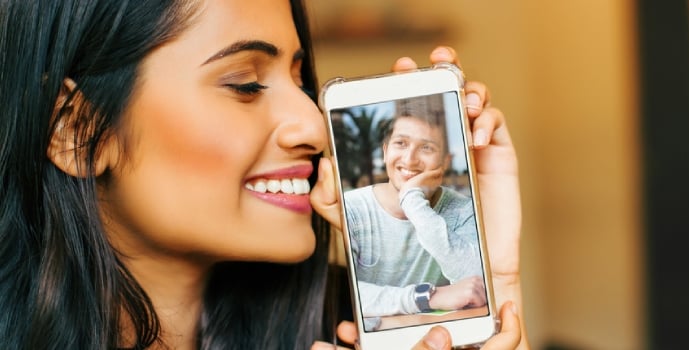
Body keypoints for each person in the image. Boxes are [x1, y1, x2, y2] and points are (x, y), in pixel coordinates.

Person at [0, 1, 528, 349]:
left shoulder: (358, 326)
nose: (313, 125)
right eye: (245, 83)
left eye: (300, 78)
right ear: (76, 129)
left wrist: (498, 288)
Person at [344, 99, 487, 320]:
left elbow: (477, 284)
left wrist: (412, 199)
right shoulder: (351, 207)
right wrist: (426, 297)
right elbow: (347, 296)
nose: (410, 159)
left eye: (426, 147)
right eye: (401, 143)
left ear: (445, 162)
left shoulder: (461, 210)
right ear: (385, 151)